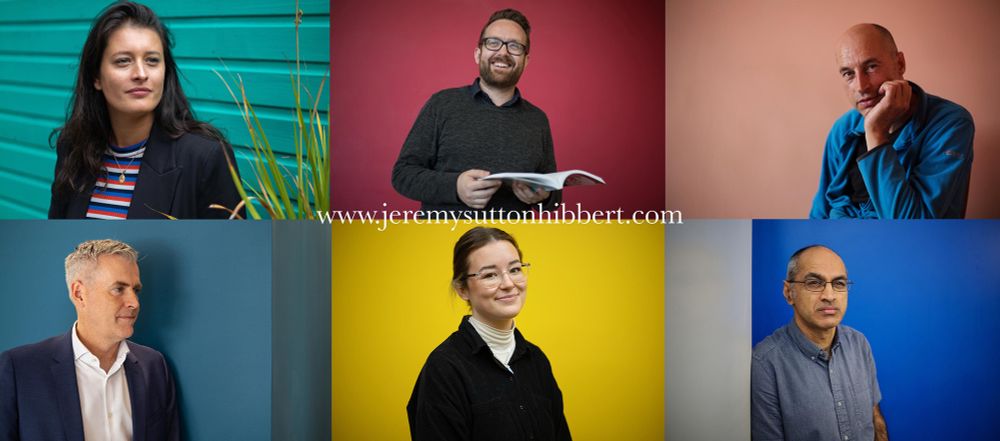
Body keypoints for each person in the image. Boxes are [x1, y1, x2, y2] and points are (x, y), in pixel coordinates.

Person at [49, 1, 241, 219]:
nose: (141, 73)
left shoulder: (205, 157)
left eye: (152, 60)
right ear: (96, 77)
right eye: (123, 61)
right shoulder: (72, 148)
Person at [0, 239, 179, 441]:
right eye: (118, 289)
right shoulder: (19, 369)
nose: (134, 302)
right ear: (79, 294)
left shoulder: (154, 365)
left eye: (135, 290)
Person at [407, 227, 571, 440]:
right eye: (490, 275)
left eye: (514, 270)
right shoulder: (444, 368)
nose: (509, 284)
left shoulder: (537, 359)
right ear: (462, 289)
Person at [391, 9, 560, 214]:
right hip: (442, 237)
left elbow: (554, 196)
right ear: (478, 53)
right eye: (493, 42)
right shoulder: (442, 104)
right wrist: (455, 187)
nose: (503, 52)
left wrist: (546, 196)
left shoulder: (537, 120)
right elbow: (402, 175)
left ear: (526, 61)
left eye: (514, 46)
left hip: (512, 240)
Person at [810, 23, 974, 219]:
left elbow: (911, 225)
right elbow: (820, 214)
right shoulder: (843, 130)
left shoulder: (950, 124)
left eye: (871, 67)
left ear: (900, 64)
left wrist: (876, 131)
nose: (861, 86)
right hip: (841, 244)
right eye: (849, 74)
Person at [751, 245, 887, 441]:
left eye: (839, 283)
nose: (829, 296)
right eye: (814, 283)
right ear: (789, 293)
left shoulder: (859, 343)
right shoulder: (766, 363)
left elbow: (876, 420)